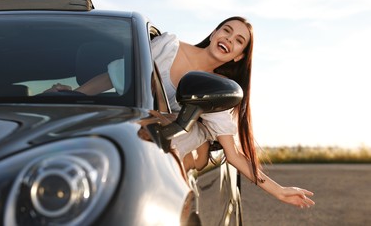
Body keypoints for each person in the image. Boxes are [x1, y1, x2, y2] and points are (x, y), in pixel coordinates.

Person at [47, 16, 315, 209]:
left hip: (160, 148)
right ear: (214, 33)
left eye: (238, 41)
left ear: (238, 57)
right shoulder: (169, 46)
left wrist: (279, 190)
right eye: (226, 30)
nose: (228, 39)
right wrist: (75, 95)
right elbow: (113, 76)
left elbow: (233, 154)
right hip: (124, 129)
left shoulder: (214, 91)